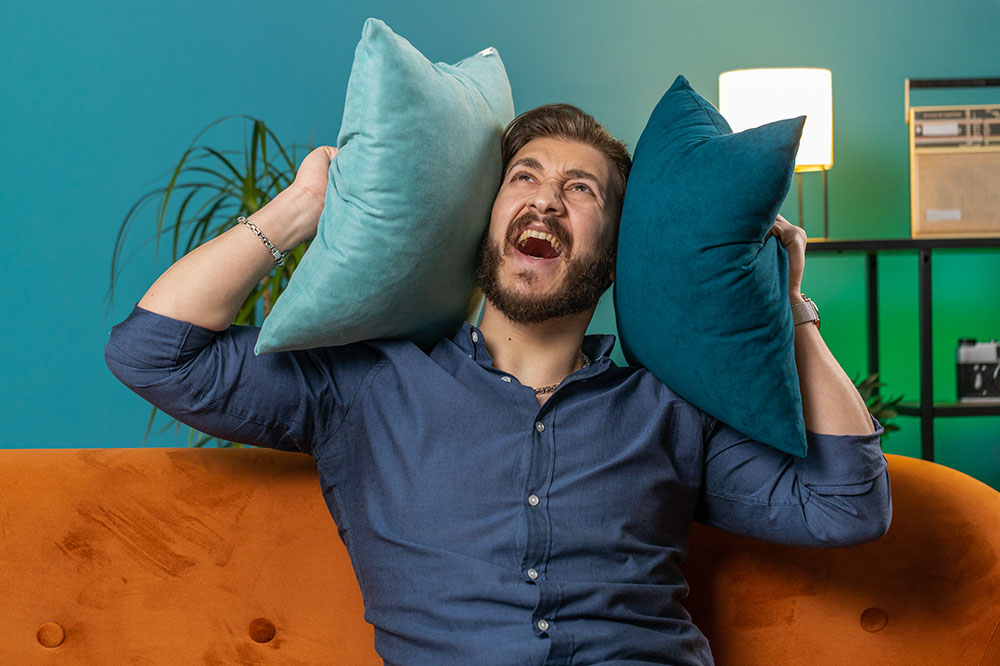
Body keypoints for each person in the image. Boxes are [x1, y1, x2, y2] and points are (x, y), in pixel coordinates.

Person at [105, 104, 891, 666]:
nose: (547, 197)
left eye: (581, 190)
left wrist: (792, 308)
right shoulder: (367, 386)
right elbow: (154, 353)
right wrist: (301, 208)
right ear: (488, 223)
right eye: (525, 177)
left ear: (613, 256)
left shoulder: (668, 408)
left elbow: (848, 504)